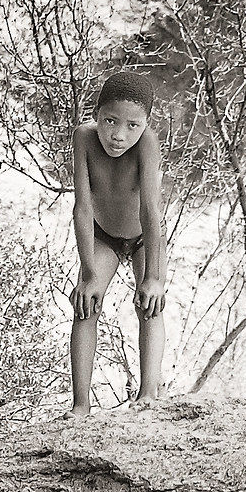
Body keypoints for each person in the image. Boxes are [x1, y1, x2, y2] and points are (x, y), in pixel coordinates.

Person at [70, 70, 167, 415]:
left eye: (132, 126)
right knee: (86, 304)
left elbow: (151, 211)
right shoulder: (84, 138)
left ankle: (148, 394)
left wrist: (153, 278)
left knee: (150, 305)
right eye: (110, 121)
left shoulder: (147, 144)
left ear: (145, 125)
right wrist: (88, 273)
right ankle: (80, 404)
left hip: (143, 238)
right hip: (103, 236)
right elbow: (82, 208)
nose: (118, 135)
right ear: (96, 114)